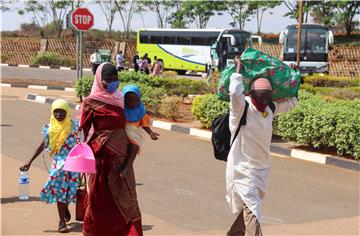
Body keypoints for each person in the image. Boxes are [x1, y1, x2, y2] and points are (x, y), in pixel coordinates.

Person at [226, 56, 298, 236]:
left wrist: (293, 76)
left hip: (263, 168)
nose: (265, 99)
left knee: (251, 207)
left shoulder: (270, 108)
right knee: (253, 211)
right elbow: (235, 93)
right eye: (263, 96)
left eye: (268, 96)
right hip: (243, 169)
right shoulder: (242, 109)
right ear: (251, 94)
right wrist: (238, 70)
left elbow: (291, 103)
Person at [79, 62, 143, 236]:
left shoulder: (121, 98)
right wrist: (84, 159)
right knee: (99, 201)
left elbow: (132, 124)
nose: (113, 82)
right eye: (109, 79)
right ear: (100, 80)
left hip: (121, 160)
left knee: (128, 199)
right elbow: (84, 131)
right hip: (100, 160)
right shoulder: (90, 102)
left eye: (116, 79)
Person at [20, 99, 80, 233]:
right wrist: (29, 162)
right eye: (56, 111)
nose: (59, 114)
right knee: (59, 190)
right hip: (58, 164)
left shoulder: (75, 126)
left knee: (69, 190)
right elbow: (42, 145)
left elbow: (82, 143)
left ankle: (65, 208)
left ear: (67, 112)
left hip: (73, 163)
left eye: (62, 111)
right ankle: (61, 221)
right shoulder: (49, 128)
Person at [122, 84, 159, 153]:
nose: (133, 103)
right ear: (124, 99)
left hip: (134, 135)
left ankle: (129, 163)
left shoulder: (141, 111)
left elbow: (145, 125)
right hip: (120, 134)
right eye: (130, 100)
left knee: (134, 147)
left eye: (136, 100)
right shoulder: (121, 109)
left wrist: (151, 133)